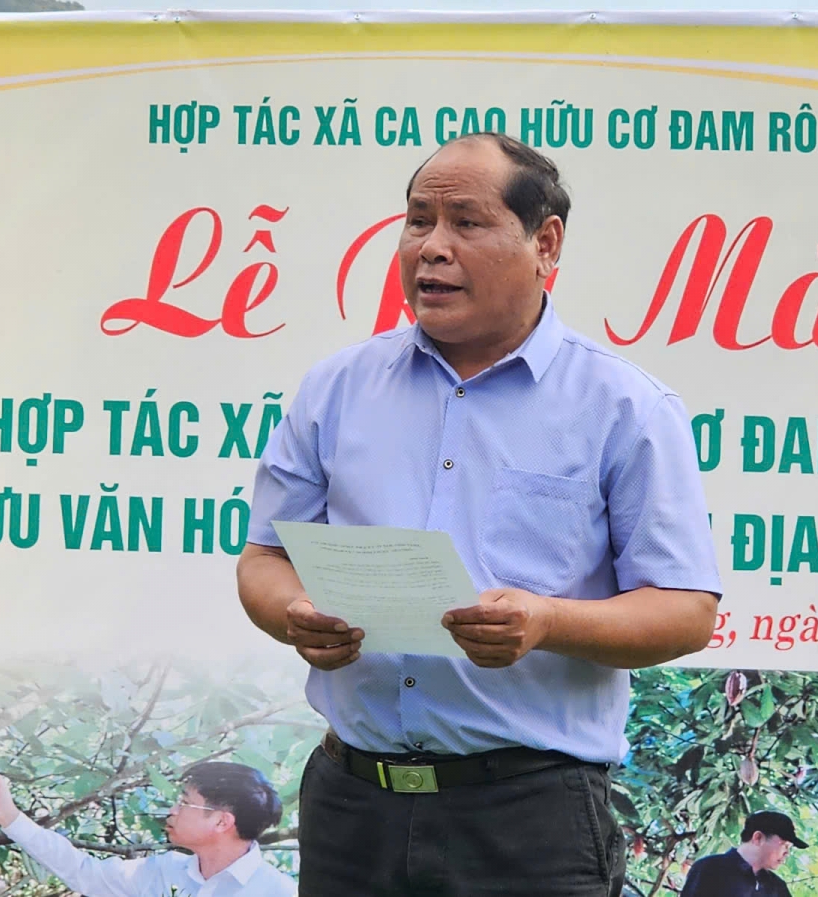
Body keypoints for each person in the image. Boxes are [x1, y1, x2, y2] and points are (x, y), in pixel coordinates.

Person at [236, 131, 722, 896]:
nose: (431, 248)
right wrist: (294, 612)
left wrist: (548, 622)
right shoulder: (336, 388)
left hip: (529, 819)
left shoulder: (625, 406)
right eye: (417, 219)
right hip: (351, 806)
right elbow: (264, 559)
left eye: (465, 222)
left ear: (545, 242)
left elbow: (686, 611)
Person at [0, 761, 296, 897]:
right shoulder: (162, 871)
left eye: (185, 801)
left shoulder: (278, 892)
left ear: (222, 821)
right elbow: (82, 871)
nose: (172, 810)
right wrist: (8, 815)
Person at [677, 811, 806, 897]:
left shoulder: (777, 887)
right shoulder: (710, 868)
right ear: (758, 838)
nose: (787, 853)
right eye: (784, 845)